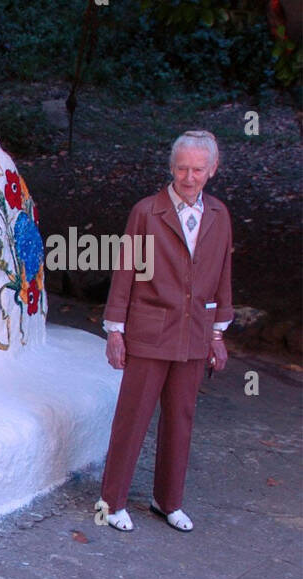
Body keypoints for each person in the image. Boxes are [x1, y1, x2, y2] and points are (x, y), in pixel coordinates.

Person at [97, 130, 233, 532]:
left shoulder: (220, 216)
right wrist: (115, 330)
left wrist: (218, 334)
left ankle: (167, 500)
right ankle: (111, 501)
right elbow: (125, 272)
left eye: (197, 169)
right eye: (181, 168)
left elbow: (223, 273)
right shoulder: (146, 212)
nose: (188, 177)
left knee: (181, 418)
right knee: (133, 417)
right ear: (171, 168)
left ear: (212, 170)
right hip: (149, 331)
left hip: (194, 334)